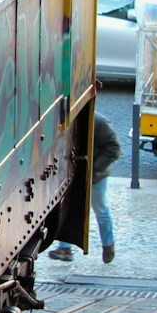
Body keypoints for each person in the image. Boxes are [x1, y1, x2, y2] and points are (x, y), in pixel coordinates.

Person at [48, 104, 119, 263]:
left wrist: (93, 170)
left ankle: (108, 246)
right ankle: (65, 249)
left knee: (100, 211)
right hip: (76, 173)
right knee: (68, 207)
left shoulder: (98, 122)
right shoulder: (69, 120)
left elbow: (114, 148)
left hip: (96, 177)